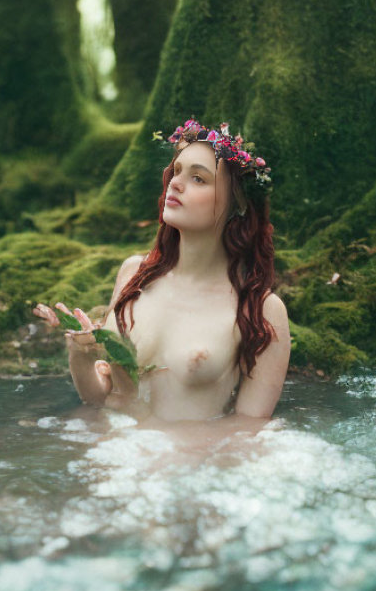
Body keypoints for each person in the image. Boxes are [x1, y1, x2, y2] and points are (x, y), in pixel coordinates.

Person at [34, 119, 289, 424]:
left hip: (184, 466)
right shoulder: (134, 274)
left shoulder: (261, 309)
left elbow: (248, 431)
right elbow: (101, 398)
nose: (176, 183)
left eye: (198, 178)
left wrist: (162, 459)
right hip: (113, 458)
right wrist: (81, 355)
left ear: (238, 206)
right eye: (177, 171)